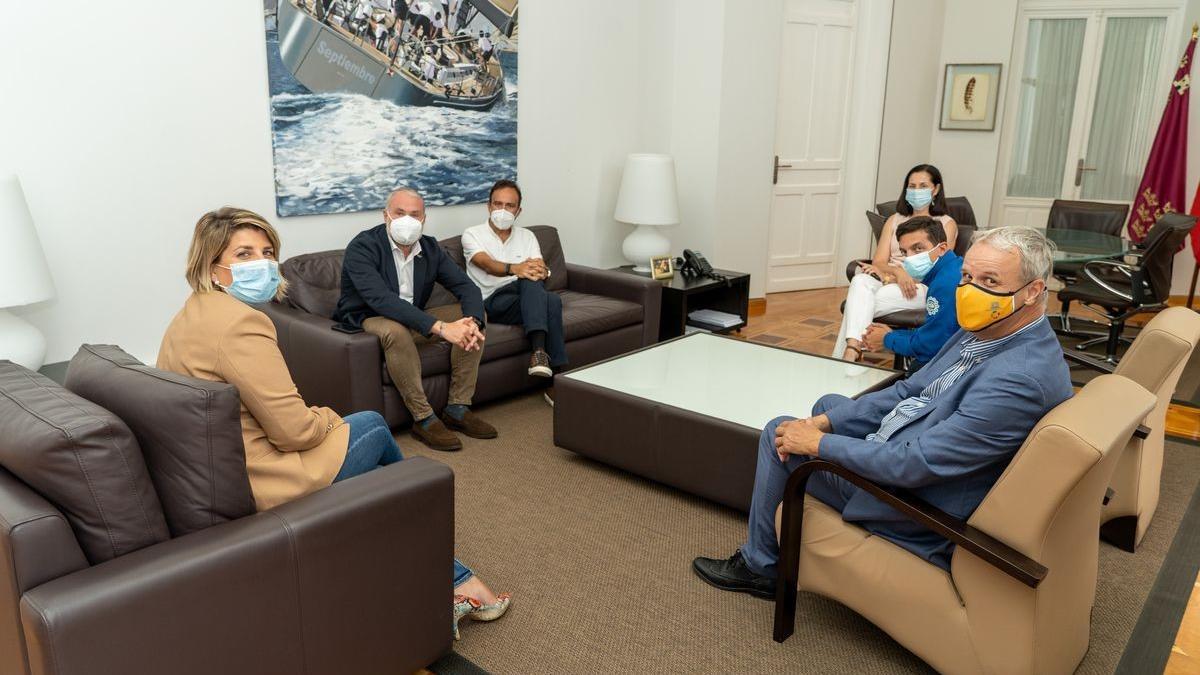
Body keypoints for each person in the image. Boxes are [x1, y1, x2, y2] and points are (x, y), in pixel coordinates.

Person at [158, 207, 509, 639]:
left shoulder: (190, 315)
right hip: (264, 476)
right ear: (213, 268)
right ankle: (453, 580)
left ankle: (444, 579)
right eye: (244, 254)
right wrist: (326, 417)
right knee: (374, 428)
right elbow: (293, 431)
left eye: (267, 252)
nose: (263, 264)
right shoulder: (240, 324)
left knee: (381, 474)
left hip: (221, 471)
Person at [692, 226, 1072, 599]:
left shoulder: (1017, 379)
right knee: (828, 406)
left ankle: (761, 568)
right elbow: (910, 389)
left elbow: (916, 464)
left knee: (779, 430)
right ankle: (797, 509)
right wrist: (827, 424)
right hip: (918, 436)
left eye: (988, 280)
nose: (970, 290)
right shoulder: (992, 327)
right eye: (967, 276)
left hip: (913, 500)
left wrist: (819, 443)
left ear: (1033, 291)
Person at [334, 188, 497, 452]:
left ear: (423, 219)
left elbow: (467, 288)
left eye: (414, 214)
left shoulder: (430, 248)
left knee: (471, 317)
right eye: (399, 213)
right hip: (367, 318)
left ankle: (457, 407)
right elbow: (381, 300)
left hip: (412, 318)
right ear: (385, 215)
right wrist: (442, 328)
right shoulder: (363, 247)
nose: (407, 220)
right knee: (396, 330)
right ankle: (423, 418)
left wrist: (472, 322)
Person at [834, 164, 959, 361]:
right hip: (889, 278)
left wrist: (898, 277)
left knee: (857, 304)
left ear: (935, 189)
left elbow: (940, 265)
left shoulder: (945, 223)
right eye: (912, 186)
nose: (916, 191)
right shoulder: (894, 219)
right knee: (859, 282)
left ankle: (849, 355)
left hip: (920, 286)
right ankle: (852, 351)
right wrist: (897, 274)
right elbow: (879, 261)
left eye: (923, 186)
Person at [463, 180, 565, 406]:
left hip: (524, 298)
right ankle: (552, 370)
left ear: (518, 211)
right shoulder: (472, 234)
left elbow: (539, 268)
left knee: (550, 298)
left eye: (509, 206)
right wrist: (517, 268)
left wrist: (539, 270)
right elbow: (487, 264)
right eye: (498, 204)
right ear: (489, 206)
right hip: (491, 300)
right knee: (547, 297)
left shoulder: (527, 236)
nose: (503, 210)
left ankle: (543, 363)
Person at [857, 216, 963, 367]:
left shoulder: (944, 284)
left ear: (942, 248)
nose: (910, 258)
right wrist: (892, 335)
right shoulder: (951, 269)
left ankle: (853, 351)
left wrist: (887, 339)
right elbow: (934, 332)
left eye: (918, 248)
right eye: (904, 252)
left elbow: (932, 346)